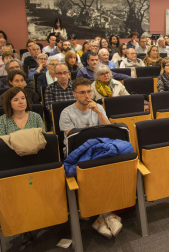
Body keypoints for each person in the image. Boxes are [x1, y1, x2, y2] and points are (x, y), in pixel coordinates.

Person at [59, 78, 121, 238]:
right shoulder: (66, 113)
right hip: (78, 154)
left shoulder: (98, 107)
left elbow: (109, 130)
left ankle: (102, 217)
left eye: (88, 92)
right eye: (82, 92)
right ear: (74, 94)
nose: (87, 95)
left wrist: (99, 113)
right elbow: (73, 140)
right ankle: (107, 215)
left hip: (98, 150)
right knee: (92, 171)